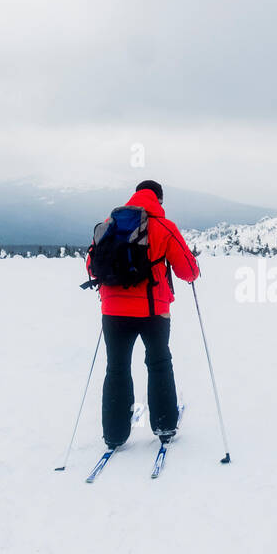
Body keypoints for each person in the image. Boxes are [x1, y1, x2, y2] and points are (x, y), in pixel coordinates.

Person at [86, 180, 199, 449]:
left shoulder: (110, 224)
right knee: (159, 363)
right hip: (153, 311)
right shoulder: (164, 226)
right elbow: (187, 271)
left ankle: (114, 435)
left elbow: (92, 267)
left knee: (117, 367)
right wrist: (195, 270)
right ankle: (164, 425)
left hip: (113, 312)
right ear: (159, 199)